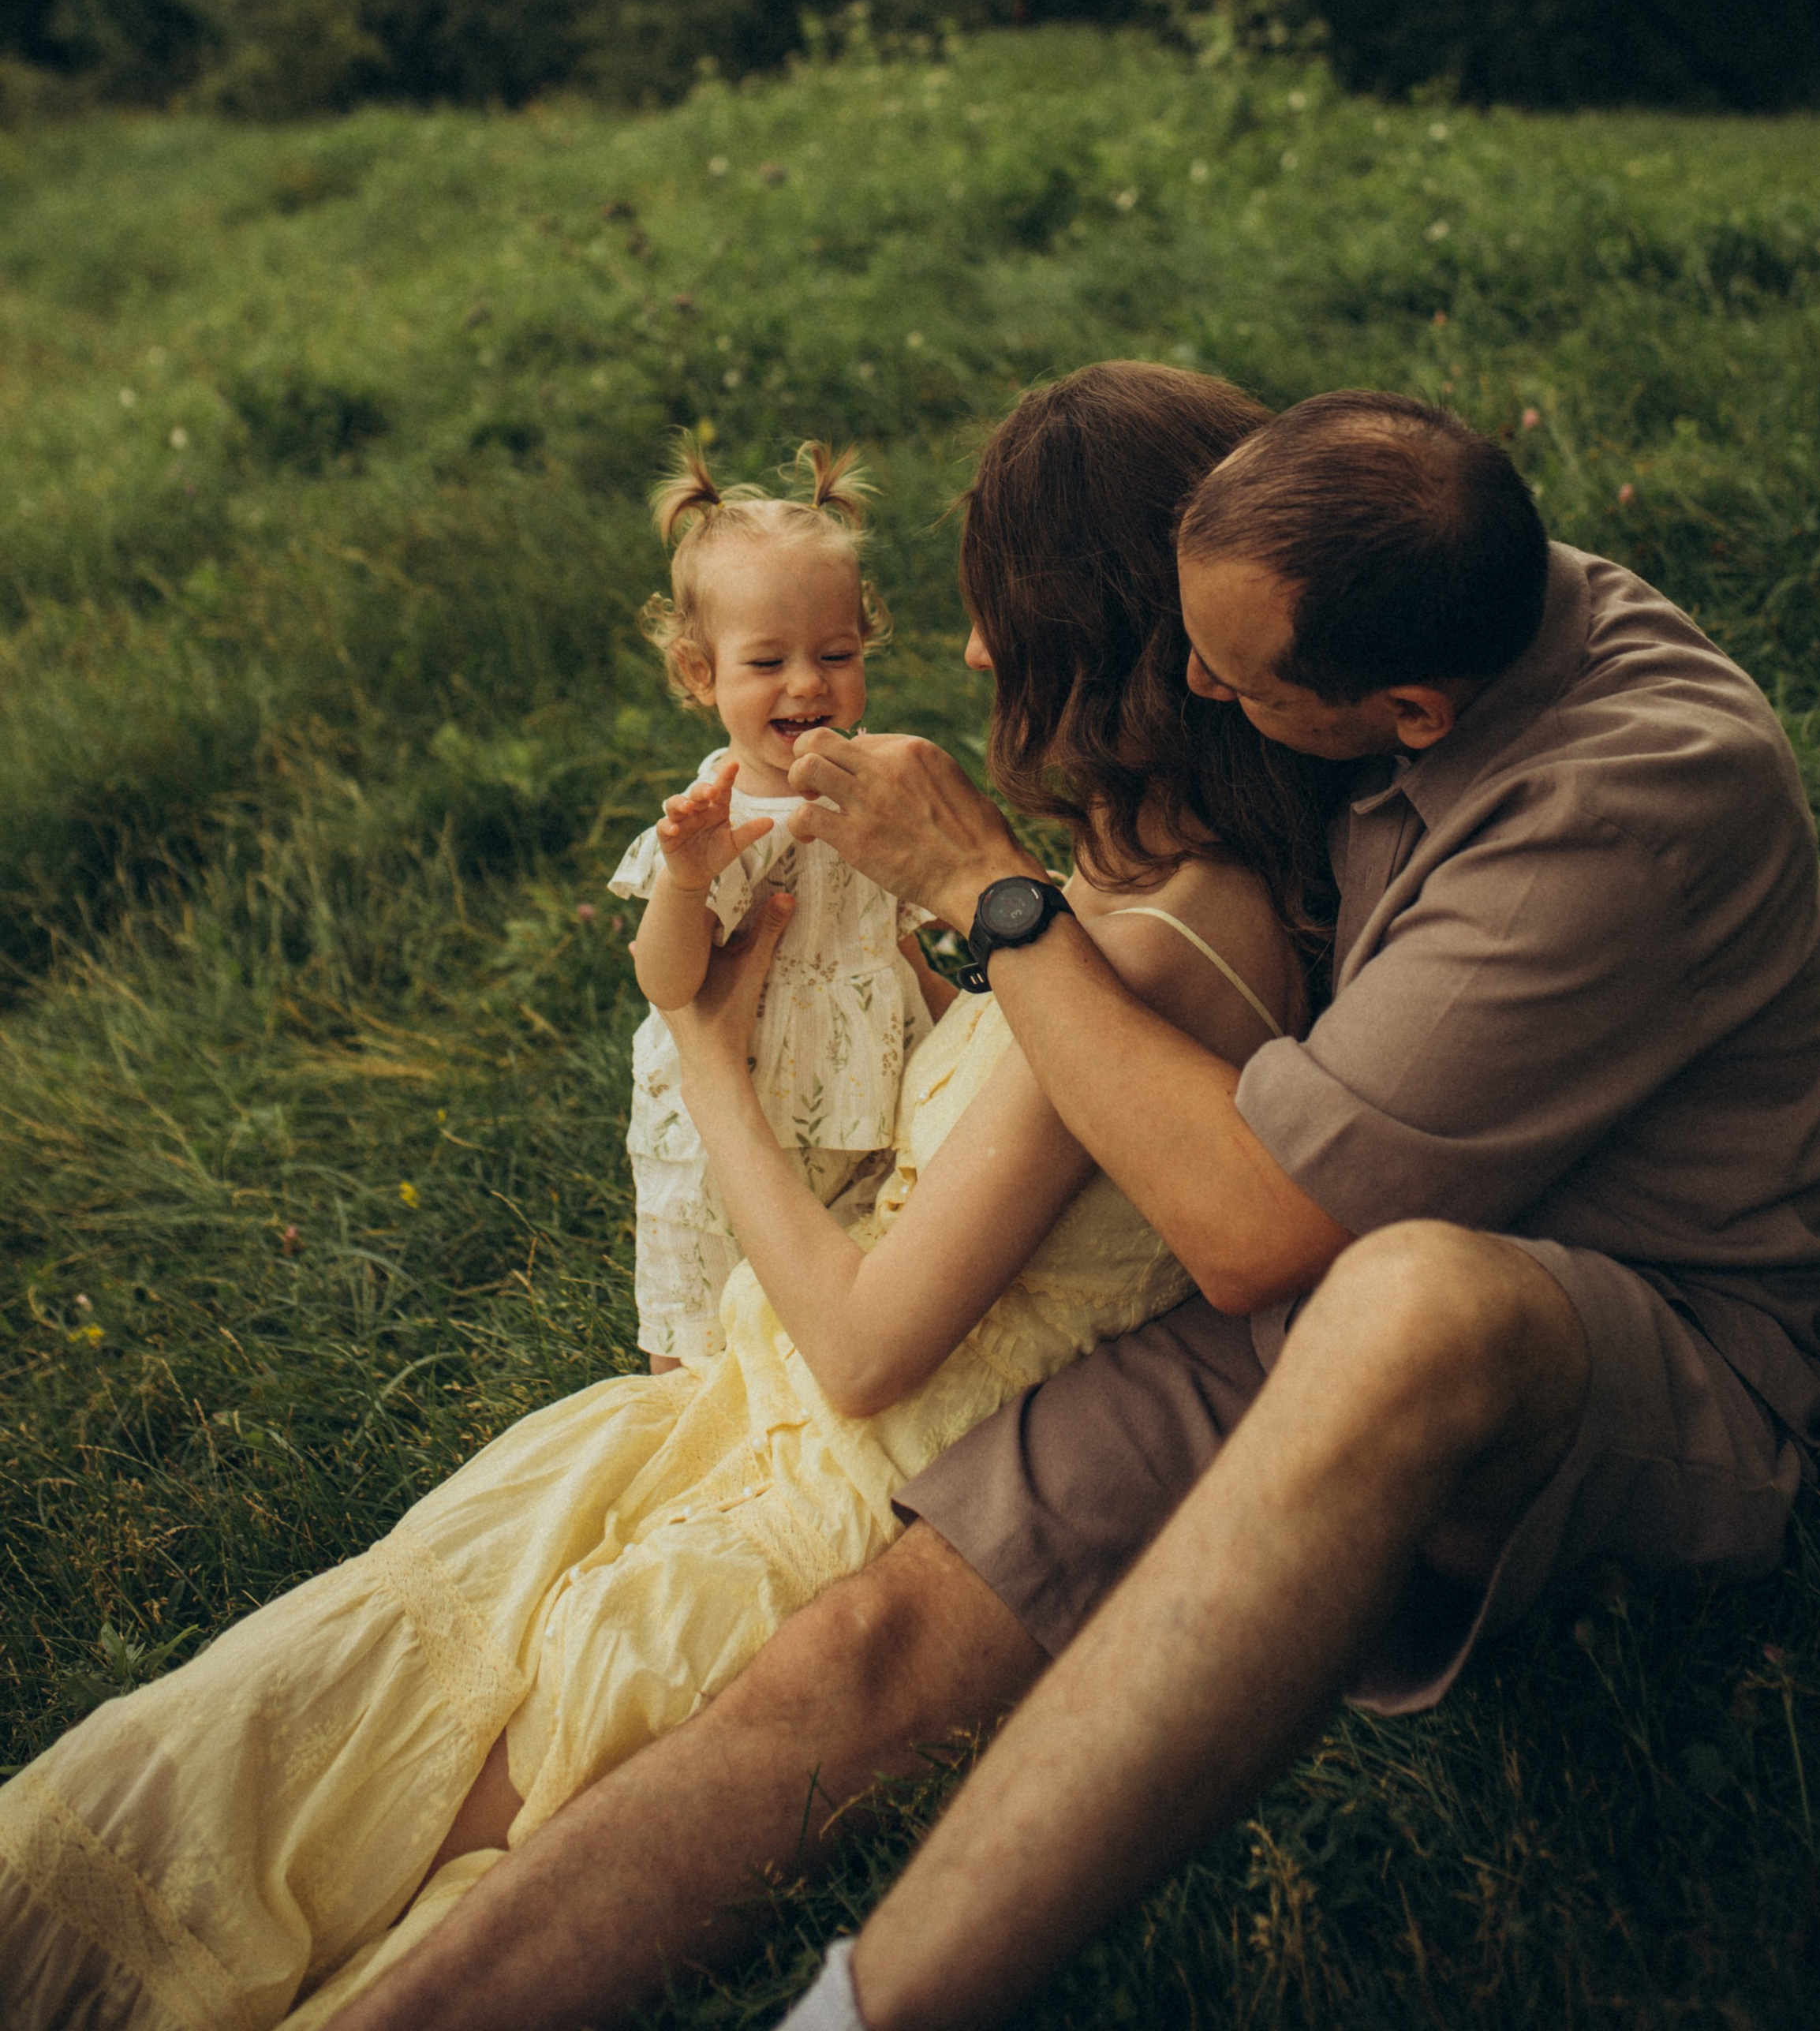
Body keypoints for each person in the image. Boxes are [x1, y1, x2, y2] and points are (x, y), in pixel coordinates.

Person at [315, 387, 1820, 2031]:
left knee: (1406, 1301)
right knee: (860, 1655)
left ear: (1405, 709)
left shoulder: (1613, 809)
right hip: (1289, 1297)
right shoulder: (1417, 588)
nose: (1197, 683)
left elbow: (1263, 1227)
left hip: (1608, 1335)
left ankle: (862, 2015)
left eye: (1230, 674)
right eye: (1177, 642)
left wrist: (988, 894)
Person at [0, 363, 1333, 2031]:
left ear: (1093, 627)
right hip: (748, 1409)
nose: (974, 651)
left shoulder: (1136, 946)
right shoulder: (1127, 886)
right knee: (262, 1735)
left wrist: (708, 1058)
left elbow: (864, 1352)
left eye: (1000, 610)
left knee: (413, 1788)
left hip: (833, 1472)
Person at [615, 437, 943, 1373]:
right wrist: (686, 881)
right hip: (731, 1126)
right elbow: (668, 983)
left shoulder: (869, 788)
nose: (807, 683)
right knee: (708, 1323)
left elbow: (902, 944)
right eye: (767, 662)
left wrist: (976, 1036)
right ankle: (680, 1430)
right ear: (698, 675)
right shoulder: (716, 817)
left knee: (830, 1297)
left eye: (835, 653)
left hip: (865, 1106)